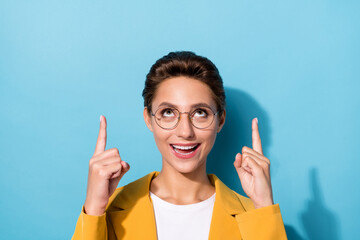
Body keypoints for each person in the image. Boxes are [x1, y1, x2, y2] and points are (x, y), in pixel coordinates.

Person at [71, 51, 287, 240]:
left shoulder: (256, 215)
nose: (185, 132)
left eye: (200, 113)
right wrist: (94, 208)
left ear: (220, 120)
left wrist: (264, 208)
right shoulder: (104, 210)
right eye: (168, 112)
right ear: (149, 119)